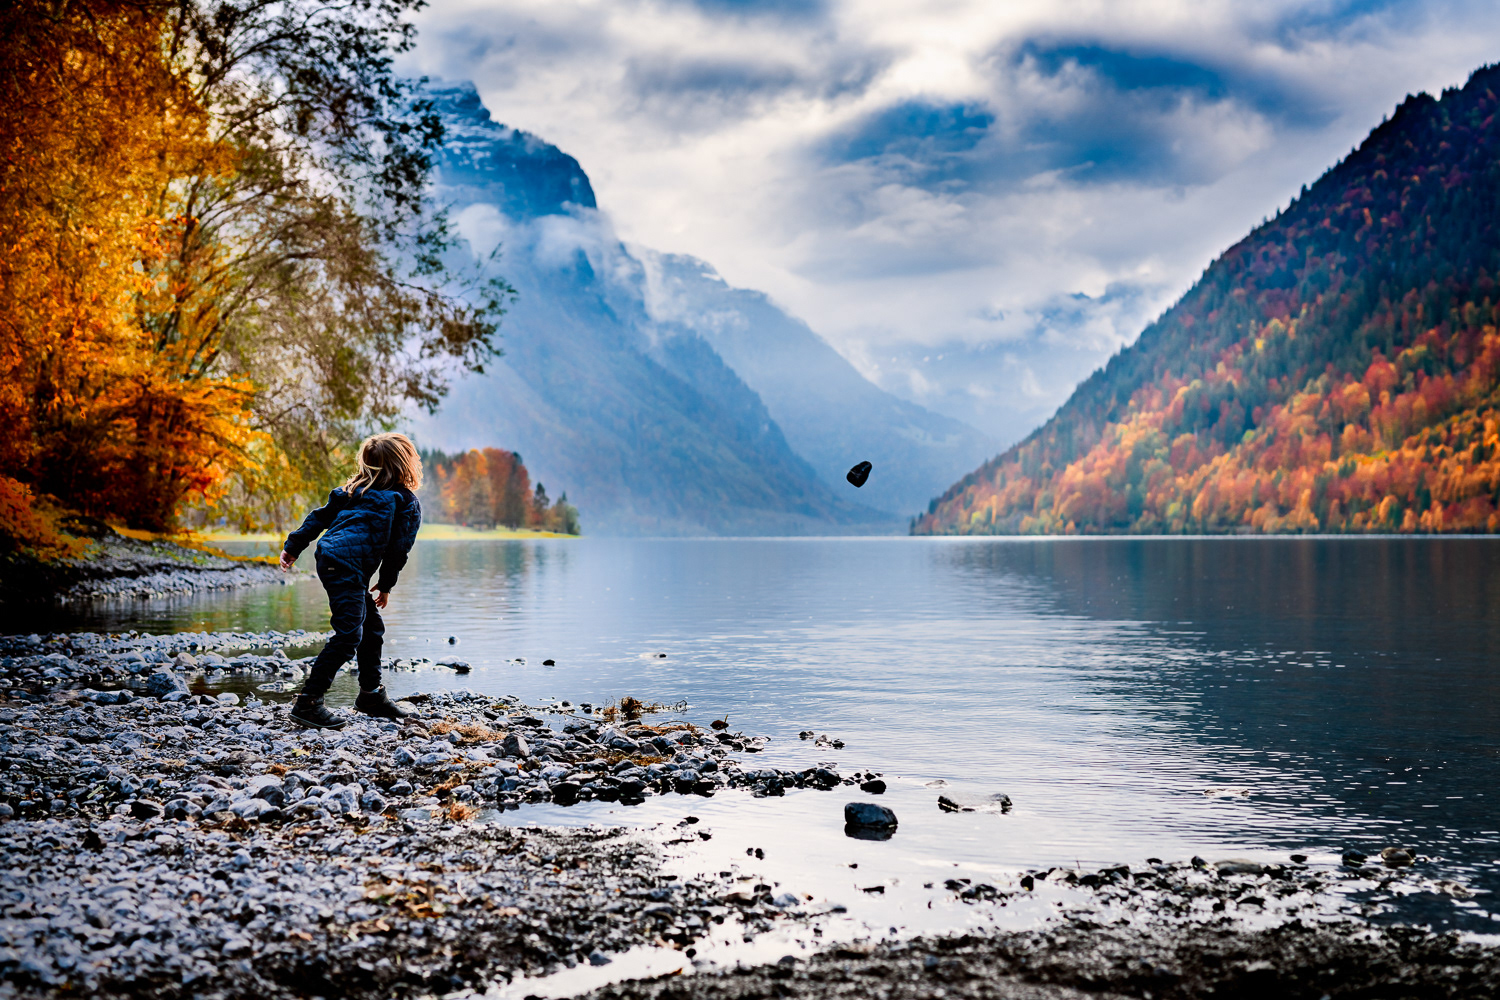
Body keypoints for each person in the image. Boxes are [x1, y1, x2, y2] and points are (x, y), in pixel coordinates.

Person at [279, 432, 424, 729]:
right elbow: (399, 550)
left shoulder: (350, 491)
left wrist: (293, 546)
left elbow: (318, 518)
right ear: (405, 465)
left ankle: (371, 695)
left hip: (332, 560)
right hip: (345, 566)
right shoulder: (405, 501)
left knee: (371, 628)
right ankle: (308, 702)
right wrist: (385, 585)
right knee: (348, 635)